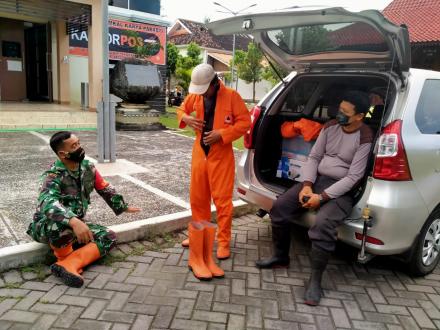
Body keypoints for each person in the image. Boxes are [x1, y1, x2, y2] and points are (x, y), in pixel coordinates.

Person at [255, 91, 373, 306]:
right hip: (316, 180)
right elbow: (314, 157)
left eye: (345, 112)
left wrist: (323, 197)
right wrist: (307, 186)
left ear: (359, 116)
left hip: (341, 190)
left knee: (322, 225)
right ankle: (281, 257)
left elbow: (355, 177)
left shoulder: (365, 137)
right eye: (340, 109)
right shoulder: (330, 127)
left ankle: (315, 281)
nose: (340, 114)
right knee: (280, 207)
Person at [27, 131, 140, 287]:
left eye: (79, 143)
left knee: (108, 236)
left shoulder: (87, 167)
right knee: (59, 226)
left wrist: (122, 206)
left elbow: (104, 187)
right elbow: (47, 202)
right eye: (74, 146)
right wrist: (73, 221)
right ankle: (63, 258)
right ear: (62, 153)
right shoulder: (53, 175)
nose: (80, 148)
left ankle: (69, 264)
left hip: (76, 224)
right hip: (47, 225)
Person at [177, 63, 251, 279]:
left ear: (214, 83)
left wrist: (222, 134)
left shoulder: (232, 97)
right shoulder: (195, 97)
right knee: (198, 198)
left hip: (221, 156)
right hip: (200, 154)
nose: (202, 93)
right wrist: (186, 118)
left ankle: (224, 241)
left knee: (222, 201)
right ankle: (198, 236)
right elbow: (181, 109)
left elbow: (245, 122)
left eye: (204, 88)